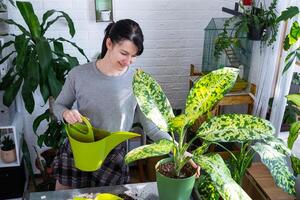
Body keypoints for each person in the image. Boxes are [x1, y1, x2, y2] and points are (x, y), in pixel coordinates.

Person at [52, 19, 174, 190]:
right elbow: (58, 106)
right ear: (109, 43)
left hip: (113, 156)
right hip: (78, 149)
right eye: (124, 53)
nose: (128, 61)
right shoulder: (78, 74)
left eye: (134, 56)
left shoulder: (138, 82)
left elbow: (152, 129)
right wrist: (66, 114)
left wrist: (178, 149)